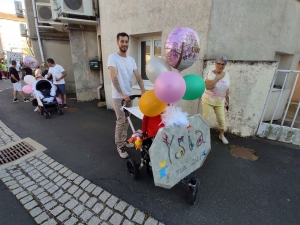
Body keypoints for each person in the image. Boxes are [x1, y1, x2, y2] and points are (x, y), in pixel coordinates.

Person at [108, 32, 146, 158]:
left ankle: (124, 140)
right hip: (119, 96)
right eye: (122, 41)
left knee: (126, 120)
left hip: (129, 95)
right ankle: (119, 145)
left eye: (126, 41)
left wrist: (143, 91)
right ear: (117, 42)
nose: (124, 44)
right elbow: (113, 76)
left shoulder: (131, 60)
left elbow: (138, 76)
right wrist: (121, 93)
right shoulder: (113, 57)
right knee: (120, 120)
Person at [202, 55, 230, 144]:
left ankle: (221, 135)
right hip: (208, 100)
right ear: (215, 63)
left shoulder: (227, 75)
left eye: (223, 64)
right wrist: (217, 78)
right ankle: (202, 135)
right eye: (218, 63)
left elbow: (227, 88)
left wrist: (227, 101)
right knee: (206, 118)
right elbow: (208, 86)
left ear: (225, 65)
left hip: (220, 101)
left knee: (221, 120)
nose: (220, 66)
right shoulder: (210, 74)